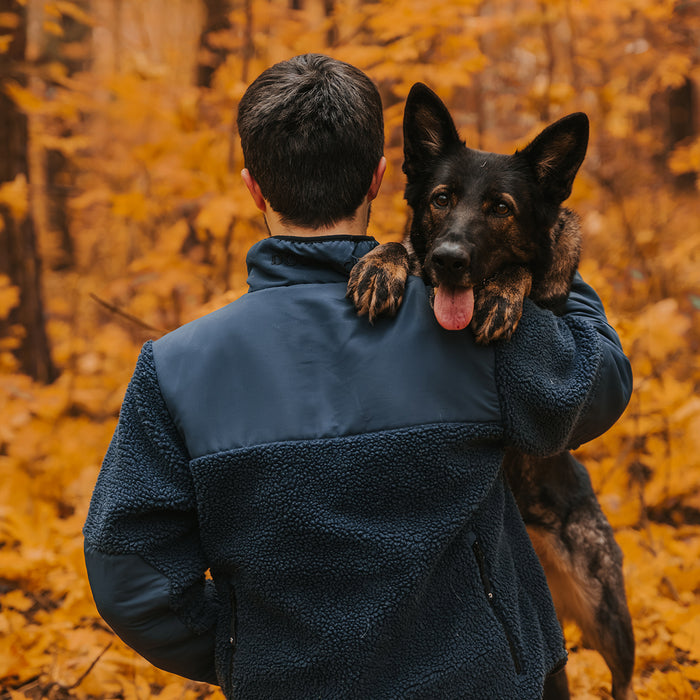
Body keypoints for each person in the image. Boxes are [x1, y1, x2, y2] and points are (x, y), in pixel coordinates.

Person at [83, 53, 632, 698]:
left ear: (253, 187)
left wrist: (246, 651)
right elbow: (601, 384)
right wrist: (554, 255)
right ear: (377, 180)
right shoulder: (485, 336)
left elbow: (127, 572)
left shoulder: (172, 368)